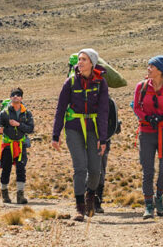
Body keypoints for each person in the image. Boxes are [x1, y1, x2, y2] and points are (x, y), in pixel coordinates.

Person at [52, 49, 109, 221]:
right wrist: (56, 135)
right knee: (80, 168)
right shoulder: (70, 82)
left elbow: (104, 111)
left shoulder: (101, 83)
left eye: (84, 59)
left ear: (92, 62)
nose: (80, 62)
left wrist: (103, 138)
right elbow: (60, 109)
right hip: (73, 129)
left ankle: (90, 197)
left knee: (95, 170)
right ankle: (79, 207)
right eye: (79, 59)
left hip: (94, 130)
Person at [133, 55, 163, 219]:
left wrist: (162, 117)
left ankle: (159, 196)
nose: (148, 69)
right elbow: (136, 107)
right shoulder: (141, 87)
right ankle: (148, 206)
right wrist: (146, 118)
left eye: (151, 66)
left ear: (160, 70)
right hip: (146, 132)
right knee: (148, 170)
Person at [0, 87, 34, 204]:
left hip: (20, 144)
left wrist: (18, 124)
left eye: (18, 95)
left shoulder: (26, 113)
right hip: (8, 144)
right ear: (10, 97)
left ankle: (20, 195)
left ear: (21, 98)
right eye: (13, 95)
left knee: (21, 169)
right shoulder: (5, 113)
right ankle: (4, 193)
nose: (15, 97)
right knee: (6, 169)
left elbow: (31, 129)